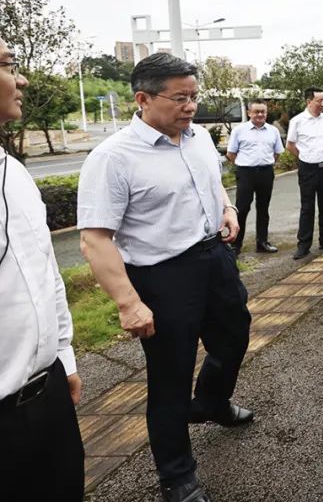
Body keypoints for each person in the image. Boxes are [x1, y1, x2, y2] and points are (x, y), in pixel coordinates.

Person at [78, 53, 253, 502]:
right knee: (170, 377)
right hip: (162, 276)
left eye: (194, 96)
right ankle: (177, 476)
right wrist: (127, 303)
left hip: (214, 259)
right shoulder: (113, 158)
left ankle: (211, 402)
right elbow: (95, 240)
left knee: (234, 337)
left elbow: (212, 184)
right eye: (180, 98)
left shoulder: (196, 140)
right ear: (143, 98)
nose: (190, 106)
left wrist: (228, 209)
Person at [0, 39, 84, 502]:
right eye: (10, 66)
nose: (23, 78)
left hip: (48, 395)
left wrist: (62, 359)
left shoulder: (13, 172)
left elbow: (45, 274)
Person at [286, 87, 323, 260]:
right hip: (307, 168)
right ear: (309, 101)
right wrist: (303, 157)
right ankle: (303, 244)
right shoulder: (297, 121)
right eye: (319, 100)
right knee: (307, 207)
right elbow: (290, 145)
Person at [226, 99, 284, 254]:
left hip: (266, 173)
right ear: (249, 113)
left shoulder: (273, 131)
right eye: (256, 111)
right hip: (246, 173)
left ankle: (262, 242)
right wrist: (243, 165)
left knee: (263, 208)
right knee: (242, 208)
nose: (260, 115)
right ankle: (236, 245)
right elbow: (231, 153)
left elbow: (277, 153)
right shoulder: (239, 130)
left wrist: (267, 163)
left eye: (263, 112)